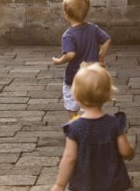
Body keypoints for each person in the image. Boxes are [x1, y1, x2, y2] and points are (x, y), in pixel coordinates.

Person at [51, 63, 135, 191]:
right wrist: (130, 152)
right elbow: (125, 151)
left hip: (84, 184)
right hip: (113, 184)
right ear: (107, 96)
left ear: (76, 97)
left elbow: (69, 158)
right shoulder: (114, 123)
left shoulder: (74, 128)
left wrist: (60, 185)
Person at [53, 0, 111, 119]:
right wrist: (100, 58)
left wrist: (58, 61)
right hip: (92, 75)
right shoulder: (93, 28)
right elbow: (107, 40)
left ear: (66, 15)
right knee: (91, 101)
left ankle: (75, 125)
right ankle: (91, 120)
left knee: (71, 103)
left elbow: (70, 54)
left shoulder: (68, 35)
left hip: (74, 77)